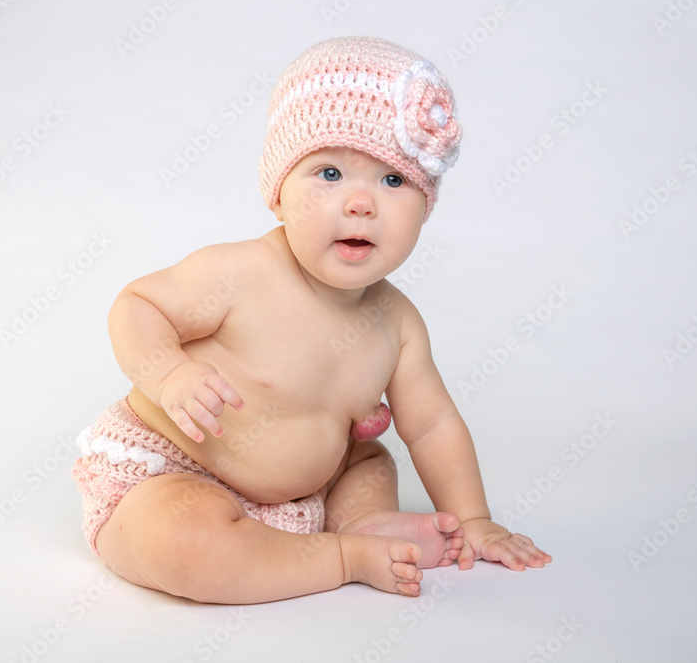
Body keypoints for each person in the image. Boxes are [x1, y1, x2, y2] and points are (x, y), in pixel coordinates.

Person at [71, 36, 551, 604]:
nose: (361, 203)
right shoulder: (240, 274)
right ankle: (342, 557)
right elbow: (138, 305)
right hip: (176, 473)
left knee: (369, 461)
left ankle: (359, 523)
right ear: (278, 194)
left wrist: (474, 520)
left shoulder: (397, 325)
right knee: (186, 545)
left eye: (393, 181)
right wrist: (169, 374)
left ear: (426, 206)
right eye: (329, 173)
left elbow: (432, 426)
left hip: (311, 491)